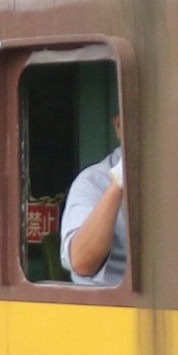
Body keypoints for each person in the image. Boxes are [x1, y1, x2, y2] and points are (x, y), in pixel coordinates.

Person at [60, 119, 127, 288]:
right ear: (119, 126)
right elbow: (82, 262)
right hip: (112, 307)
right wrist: (119, 183)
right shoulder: (93, 181)